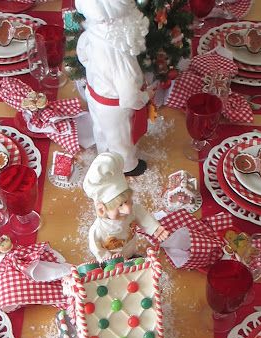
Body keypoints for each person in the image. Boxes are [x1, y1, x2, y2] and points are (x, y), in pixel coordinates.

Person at [75, 0, 150, 176]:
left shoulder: (90, 33)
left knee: (100, 129)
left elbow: (82, 55)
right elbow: (129, 95)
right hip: (115, 105)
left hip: (94, 94)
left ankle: (103, 154)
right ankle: (127, 167)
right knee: (121, 140)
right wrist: (145, 97)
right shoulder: (121, 51)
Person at [83, 152, 169, 262]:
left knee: (132, 255)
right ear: (101, 209)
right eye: (120, 206)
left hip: (130, 247)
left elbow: (143, 217)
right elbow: (97, 248)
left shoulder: (133, 210)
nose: (127, 209)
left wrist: (155, 229)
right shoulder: (98, 230)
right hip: (114, 261)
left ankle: (132, 257)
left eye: (128, 201)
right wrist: (109, 260)